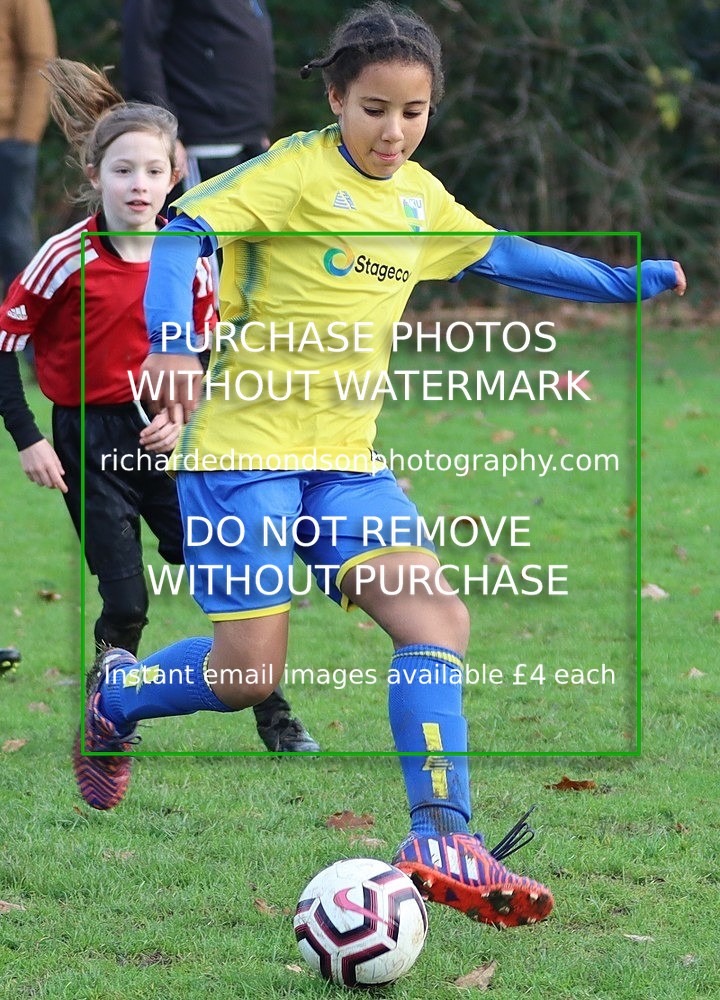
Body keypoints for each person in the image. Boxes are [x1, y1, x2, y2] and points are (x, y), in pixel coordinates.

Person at [73, 2, 686, 929]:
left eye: (413, 112)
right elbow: (186, 229)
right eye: (373, 109)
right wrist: (173, 343)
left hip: (345, 462)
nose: (394, 131)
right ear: (335, 97)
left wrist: (620, 280)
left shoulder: (418, 200)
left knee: (436, 614)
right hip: (245, 457)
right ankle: (119, 694)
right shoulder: (288, 174)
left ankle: (442, 834)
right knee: (246, 674)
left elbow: (502, 253)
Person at [0, 59, 319, 754]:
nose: (138, 184)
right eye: (122, 170)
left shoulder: (196, 259)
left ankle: (275, 716)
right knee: (125, 600)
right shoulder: (63, 257)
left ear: (175, 176)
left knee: (226, 579)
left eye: (152, 170)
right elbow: (4, 342)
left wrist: (182, 414)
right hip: (88, 439)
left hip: (170, 436)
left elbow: (202, 352)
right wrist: (29, 437)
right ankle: (107, 713)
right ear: (94, 177)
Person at [121, 0, 275, 197]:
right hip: (198, 147)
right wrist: (164, 131)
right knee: (201, 227)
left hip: (250, 144)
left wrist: (256, 126)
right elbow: (140, 46)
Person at [0, 0, 56, 295]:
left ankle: (26, 333)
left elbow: (39, 60)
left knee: (13, 240)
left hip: (9, 140)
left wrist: (24, 135)